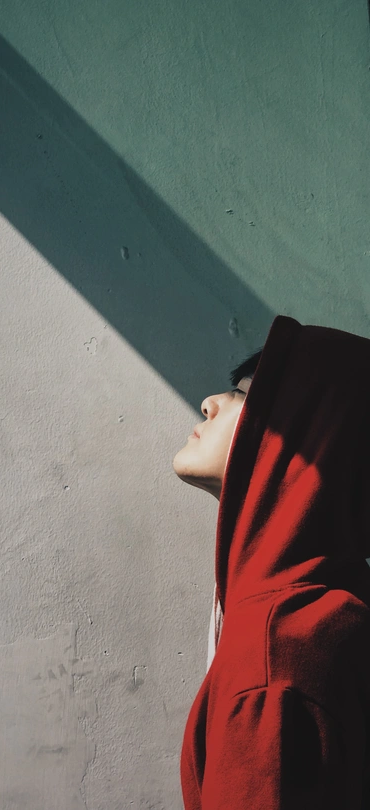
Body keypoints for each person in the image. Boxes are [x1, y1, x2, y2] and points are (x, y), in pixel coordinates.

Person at [173, 314, 370, 808]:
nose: (210, 403)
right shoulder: (330, 612)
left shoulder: (275, 662)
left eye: (243, 393)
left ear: (307, 435)